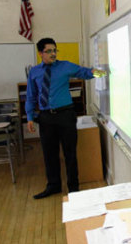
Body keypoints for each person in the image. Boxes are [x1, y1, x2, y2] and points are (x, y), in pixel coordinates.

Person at [26, 37, 106, 199]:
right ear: (41, 53)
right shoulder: (34, 72)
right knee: (49, 154)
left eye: (55, 50)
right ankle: (53, 185)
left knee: (70, 153)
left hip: (65, 116)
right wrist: (29, 117)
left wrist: (103, 72)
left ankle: (73, 188)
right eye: (49, 51)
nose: (53, 53)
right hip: (46, 117)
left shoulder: (65, 66)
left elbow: (85, 72)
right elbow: (31, 96)